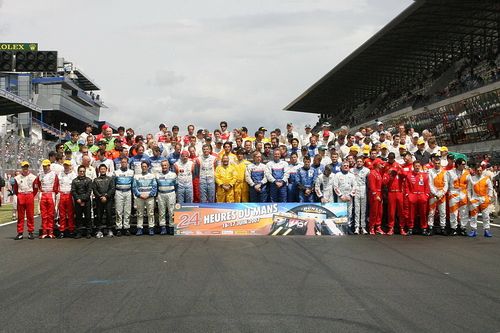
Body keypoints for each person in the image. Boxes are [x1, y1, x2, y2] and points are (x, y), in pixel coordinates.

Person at [13, 162, 38, 240]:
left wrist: (31, 195)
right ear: (21, 167)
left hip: (30, 195)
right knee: (20, 216)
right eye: (24, 167)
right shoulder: (17, 178)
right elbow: (15, 189)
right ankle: (20, 233)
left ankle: (31, 232)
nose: (25, 169)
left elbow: (36, 188)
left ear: (28, 168)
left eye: (26, 167)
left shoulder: (33, 177)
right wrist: (20, 195)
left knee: (30, 215)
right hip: (21, 195)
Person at [405, 160, 431, 236]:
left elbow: (427, 186)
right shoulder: (409, 175)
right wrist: (408, 195)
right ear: (413, 166)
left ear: (420, 166)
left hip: (422, 196)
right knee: (411, 213)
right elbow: (406, 187)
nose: (417, 167)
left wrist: (426, 195)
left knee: (423, 213)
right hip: (413, 196)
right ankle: (410, 228)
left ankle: (424, 229)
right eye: (416, 166)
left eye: (418, 166)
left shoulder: (425, 175)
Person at [467, 164, 494, 237]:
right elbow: (469, 190)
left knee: (486, 215)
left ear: (482, 170)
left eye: (480, 170)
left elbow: (491, 189)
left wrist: (489, 197)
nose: (479, 172)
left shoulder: (486, 178)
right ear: (475, 171)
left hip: (484, 199)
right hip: (474, 199)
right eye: (477, 170)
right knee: (473, 216)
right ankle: (473, 230)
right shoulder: (471, 179)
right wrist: (470, 198)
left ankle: (486, 230)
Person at [36, 159, 59, 239]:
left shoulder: (54, 174)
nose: (45, 167)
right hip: (43, 194)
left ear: (49, 166)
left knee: (51, 214)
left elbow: (56, 185)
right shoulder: (40, 175)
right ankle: (44, 232)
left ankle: (51, 232)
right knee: (44, 214)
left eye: (46, 166)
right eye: (44, 166)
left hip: (51, 194)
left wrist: (53, 193)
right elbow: (38, 184)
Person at [133, 161, 157, 236]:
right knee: (139, 213)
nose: (144, 168)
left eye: (145, 166)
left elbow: (154, 186)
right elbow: (134, 187)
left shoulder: (152, 176)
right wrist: (139, 195)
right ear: (141, 167)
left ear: (148, 167)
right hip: (140, 197)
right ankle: (139, 228)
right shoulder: (136, 176)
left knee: (151, 213)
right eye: (142, 166)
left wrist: (149, 195)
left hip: (149, 197)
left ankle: (151, 228)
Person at [447, 158, 470, 236]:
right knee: (453, 212)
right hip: (453, 193)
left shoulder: (467, 173)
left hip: (463, 194)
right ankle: (454, 228)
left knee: (464, 212)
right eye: (463, 164)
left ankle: (463, 228)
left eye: (465, 164)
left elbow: (469, 185)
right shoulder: (450, 172)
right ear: (458, 164)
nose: (465, 165)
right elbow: (446, 184)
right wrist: (448, 192)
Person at [427, 153, 448, 235]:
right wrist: (435, 193)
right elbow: (430, 184)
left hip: (442, 195)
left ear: (440, 163)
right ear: (433, 163)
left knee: (443, 212)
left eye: (438, 163)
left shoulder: (444, 172)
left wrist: (442, 193)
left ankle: (443, 227)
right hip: (433, 195)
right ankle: (430, 227)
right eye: (435, 163)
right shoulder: (430, 171)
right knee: (431, 212)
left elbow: (446, 184)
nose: (437, 165)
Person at [93, 164, 115, 238]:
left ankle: (110, 230)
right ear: (99, 170)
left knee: (109, 214)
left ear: (106, 170)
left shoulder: (110, 179)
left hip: (108, 200)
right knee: (99, 215)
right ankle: (99, 230)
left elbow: (112, 189)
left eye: (104, 169)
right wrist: (100, 197)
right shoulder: (96, 180)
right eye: (101, 169)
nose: (102, 170)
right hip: (99, 200)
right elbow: (95, 190)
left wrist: (106, 196)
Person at [114, 157, 134, 236]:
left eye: (125, 162)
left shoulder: (131, 172)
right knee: (119, 211)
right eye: (122, 162)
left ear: (127, 163)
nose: (124, 164)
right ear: (120, 163)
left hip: (128, 191)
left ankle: (126, 228)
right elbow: (114, 183)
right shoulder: (116, 172)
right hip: (119, 191)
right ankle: (119, 228)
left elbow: (133, 184)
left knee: (127, 211)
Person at [156, 160, 177, 235]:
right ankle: (163, 227)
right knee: (162, 212)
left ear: (168, 166)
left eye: (165, 165)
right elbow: (156, 186)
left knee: (171, 211)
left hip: (171, 193)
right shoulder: (157, 175)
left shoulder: (173, 174)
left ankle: (171, 227)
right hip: (161, 194)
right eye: (163, 165)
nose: (164, 167)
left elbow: (176, 185)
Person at [351, 156, 370, 234]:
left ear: (363, 162)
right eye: (358, 161)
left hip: (363, 189)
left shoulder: (367, 170)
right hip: (355, 189)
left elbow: (368, 182)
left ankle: (363, 227)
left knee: (363, 209)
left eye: (360, 161)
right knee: (357, 209)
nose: (359, 163)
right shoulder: (352, 170)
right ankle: (356, 227)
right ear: (356, 162)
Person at [57, 160, 76, 238]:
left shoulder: (73, 174)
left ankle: (71, 230)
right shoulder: (60, 174)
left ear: (70, 166)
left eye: (67, 165)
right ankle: (62, 230)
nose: (66, 167)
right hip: (61, 194)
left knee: (71, 213)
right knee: (62, 214)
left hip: (69, 194)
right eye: (65, 165)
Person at [334, 161, 355, 226]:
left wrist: (350, 195)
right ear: (341, 167)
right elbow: (335, 187)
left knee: (349, 212)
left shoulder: (352, 175)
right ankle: (341, 227)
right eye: (344, 165)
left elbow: (354, 186)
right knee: (340, 212)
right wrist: (341, 196)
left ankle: (348, 226)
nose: (346, 167)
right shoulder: (337, 175)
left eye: (347, 166)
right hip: (341, 196)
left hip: (349, 197)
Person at [367, 160, 385, 235]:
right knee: (374, 211)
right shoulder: (372, 173)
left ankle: (378, 226)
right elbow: (372, 186)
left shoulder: (379, 173)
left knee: (380, 211)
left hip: (380, 193)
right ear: (377, 164)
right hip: (374, 194)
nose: (382, 165)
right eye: (381, 164)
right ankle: (371, 227)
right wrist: (375, 195)